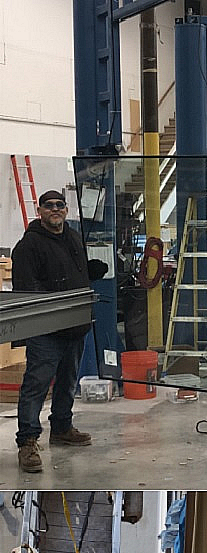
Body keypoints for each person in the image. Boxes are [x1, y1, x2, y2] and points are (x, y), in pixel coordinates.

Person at [12, 190, 97, 474]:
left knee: (68, 381)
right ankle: (27, 441)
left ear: (65, 208)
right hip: (46, 330)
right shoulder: (28, 246)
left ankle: (61, 427)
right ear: (40, 211)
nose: (55, 210)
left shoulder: (73, 238)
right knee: (36, 385)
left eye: (59, 205)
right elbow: (27, 290)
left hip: (75, 325)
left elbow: (78, 274)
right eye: (49, 206)